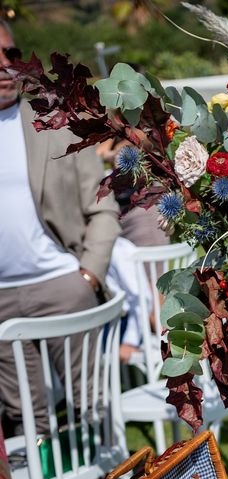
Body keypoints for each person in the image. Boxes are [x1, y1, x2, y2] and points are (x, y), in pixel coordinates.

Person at [0, 19, 121, 435]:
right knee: (24, 424)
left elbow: (102, 206)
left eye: (11, 55)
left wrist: (88, 275)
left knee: (92, 408)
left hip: (63, 288)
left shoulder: (54, 122)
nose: (5, 66)